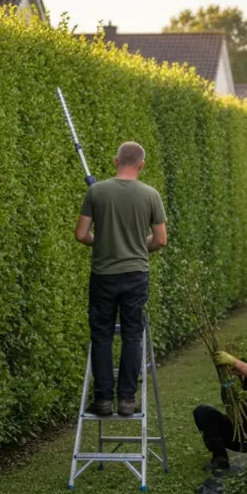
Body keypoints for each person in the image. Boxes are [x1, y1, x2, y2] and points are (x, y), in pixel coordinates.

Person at [75, 142, 167, 417]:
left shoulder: (96, 191)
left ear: (116, 161)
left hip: (103, 275)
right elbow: (160, 240)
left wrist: (103, 242)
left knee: (101, 335)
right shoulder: (151, 195)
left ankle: (103, 399)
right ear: (142, 165)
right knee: (132, 334)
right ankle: (127, 399)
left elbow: (81, 234)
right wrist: (139, 245)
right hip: (136, 275)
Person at [193, 351, 247, 472]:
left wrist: (234, 362)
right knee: (203, 411)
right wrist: (228, 385)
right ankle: (220, 459)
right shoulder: (230, 386)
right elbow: (229, 409)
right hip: (236, 436)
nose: (236, 372)